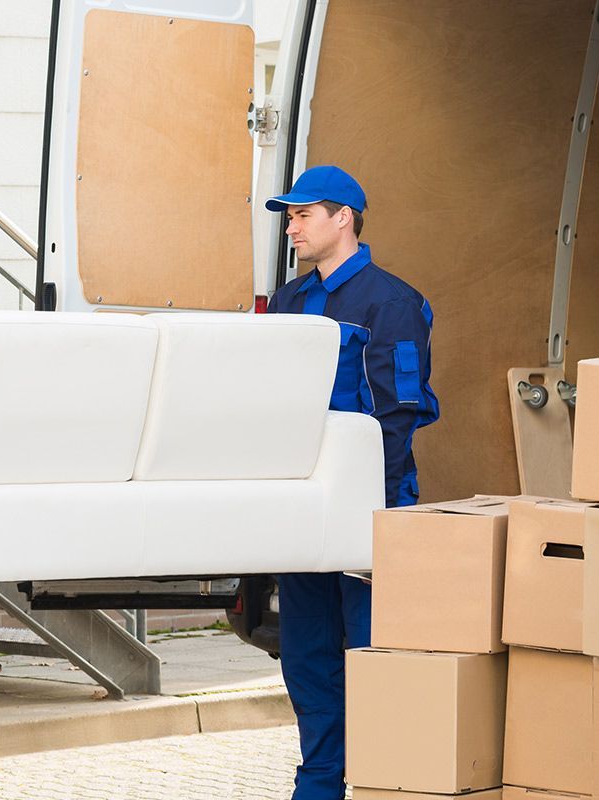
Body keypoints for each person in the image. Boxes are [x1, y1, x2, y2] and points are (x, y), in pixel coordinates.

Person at [264, 164, 440, 800]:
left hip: (370, 509)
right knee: (306, 655)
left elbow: (399, 414)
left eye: (304, 214)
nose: (293, 227)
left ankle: (376, 781)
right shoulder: (289, 300)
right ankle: (318, 783)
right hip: (303, 507)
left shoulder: (392, 302)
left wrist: (375, 514)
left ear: (345, 218)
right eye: (290, 216)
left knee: (370, 655)